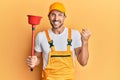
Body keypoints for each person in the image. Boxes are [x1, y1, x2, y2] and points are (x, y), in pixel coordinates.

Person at [26, 2, 91, 80]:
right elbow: (38, 58)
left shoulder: (74, 34)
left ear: (64, 17)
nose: (56, 18)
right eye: (53, 14)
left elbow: (83, 62)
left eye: (60, 15)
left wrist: (85, 42)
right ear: (49, 17)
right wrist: (35, 61)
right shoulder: (41, 36)